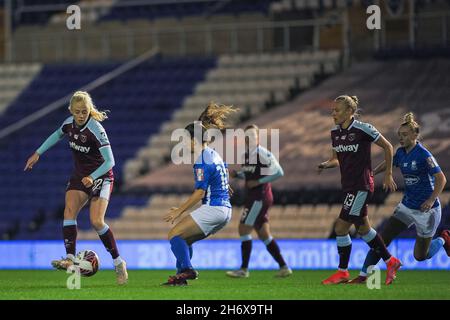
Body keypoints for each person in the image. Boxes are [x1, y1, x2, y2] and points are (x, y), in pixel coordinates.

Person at [24, 91, 128, 285]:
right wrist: (38, 153)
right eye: (78, 112)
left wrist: (93, 176)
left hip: (102, 176)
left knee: (96, 221)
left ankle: (118, 262)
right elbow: (56, 135)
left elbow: (110, 161)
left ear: (90, 111)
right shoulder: (68, 124)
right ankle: (70, 259)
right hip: (81, 177)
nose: (81, 115)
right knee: (69, 211)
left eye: (85, 111)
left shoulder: (96, 129)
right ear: (71, 110)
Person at [348, 112, 449, 284]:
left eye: (405, 135)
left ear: (415, 135)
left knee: (420, 256)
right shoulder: (401, 153)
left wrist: (431, 199)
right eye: (399, 136)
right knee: (382, 239)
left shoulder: (424, 155)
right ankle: (363, 276)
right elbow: (389, 162)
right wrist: (371, 173)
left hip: (427, 210)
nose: (401, 139)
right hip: (407, 206)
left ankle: (444, 238)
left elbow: (442, 179)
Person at [317, 95, 402, 285]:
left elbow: (388, 146)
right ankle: (391, 261)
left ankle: (342, 272)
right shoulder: (335, 132)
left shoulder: (363, 129)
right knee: (363, 229)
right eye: (332, 110)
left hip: (361, 186)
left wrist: (388, 173)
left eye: (337, 110)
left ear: (349, 111)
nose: (333, 113)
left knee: (340, 227)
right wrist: (325, 164)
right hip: (348, 186)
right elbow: (336, 158)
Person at [162, 103, 236, 286]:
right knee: (184, 238)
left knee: (174, 235)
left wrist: (179, 211)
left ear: (194, 140)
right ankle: (180, 278)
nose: (184, 143)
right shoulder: (214, 154)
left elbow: (199, 193)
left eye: (186, 139)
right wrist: (225, 184)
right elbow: (225, 170)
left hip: (214, 207)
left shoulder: (201, 161)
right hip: (225, 210)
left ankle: (187, 270)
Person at [226, 124, 292, 278]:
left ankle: (243, 269)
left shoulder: (263, 153)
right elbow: (250, 175)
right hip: (253, 197)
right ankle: (284, 267)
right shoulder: (248, 155)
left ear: (258, 137)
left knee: (243, 229)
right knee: (264, 234)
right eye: (247, 136)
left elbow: (279, 172)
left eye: (252, 135)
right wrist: (238, 174)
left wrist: (259, 182)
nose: (250, 138)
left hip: (259, 197)